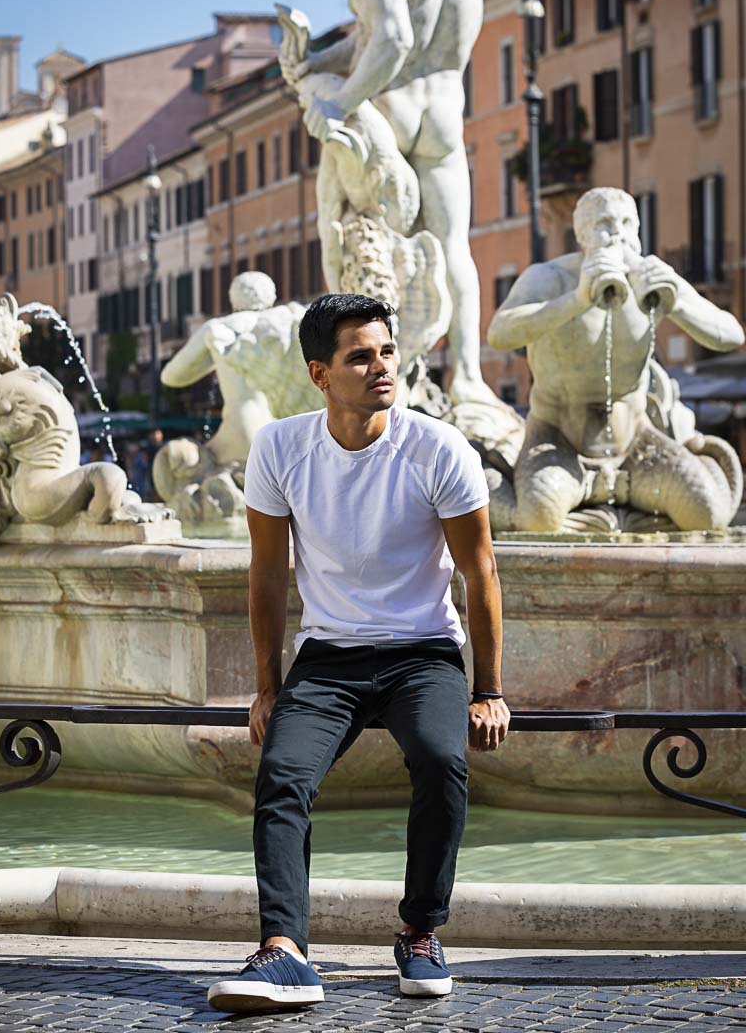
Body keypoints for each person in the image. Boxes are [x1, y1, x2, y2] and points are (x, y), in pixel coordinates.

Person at [207, 293, 509, 1014]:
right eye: (360, 356)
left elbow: (480, 573)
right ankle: (285, 954)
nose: (381, 367)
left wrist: (488, 687)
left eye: (386, 351)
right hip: (330, 656)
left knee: (441, 761)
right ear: (320, 374)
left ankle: (421, 931)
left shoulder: (439, 449)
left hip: (423, 654)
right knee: (281, 774)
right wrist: (267, 685)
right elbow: (267, 576)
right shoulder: (280, 448)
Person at [291, 0, 491, 409]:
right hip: (445, 113)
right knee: (455, 247)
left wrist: (337, 98)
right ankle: (469, 379)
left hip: (390, 113)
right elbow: (393, 36)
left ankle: (371, 377)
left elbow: (394, 39)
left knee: (355, 244)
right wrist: (319, 60)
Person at [487, 187, 745, 532]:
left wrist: (678, 304)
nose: (618, 234)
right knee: (538, 518)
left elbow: (731, 336)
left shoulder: (650, 277)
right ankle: (495, 480)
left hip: (635, 444)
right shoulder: (549, 278)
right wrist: (578, 299)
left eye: (627, 223)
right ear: (581, 235)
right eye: (605, 224)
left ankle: (695, 464)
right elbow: (500, 333)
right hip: (559, 439)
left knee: (707, 514)